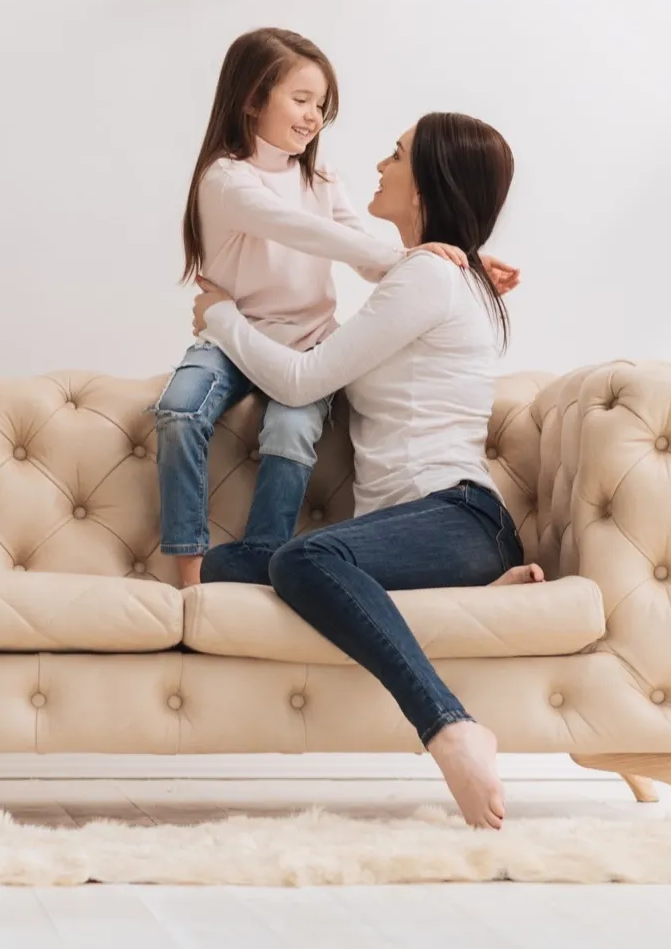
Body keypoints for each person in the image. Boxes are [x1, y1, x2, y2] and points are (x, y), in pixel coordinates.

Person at [194, 111, 541, 830]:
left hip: (459, 515)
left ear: (428, 186)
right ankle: (468, 585)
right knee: (215, 568)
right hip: (415, 533)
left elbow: (299, 381)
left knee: (302, 559)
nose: (380, 165)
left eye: (397, 154)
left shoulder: (428, 278)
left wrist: (221, 315)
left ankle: (449, 727)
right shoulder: (439, 275)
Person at [155, 29, 515, 586]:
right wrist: (423, 258)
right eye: (301, 101)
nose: (313, 117)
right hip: (232, 339)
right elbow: (304, 231)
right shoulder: (226, 180)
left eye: (321, 106)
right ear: (252, 98)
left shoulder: (322, 181)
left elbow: (367, 259)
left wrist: (455, 262)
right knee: (179, 410)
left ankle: (265, 554)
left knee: (292, 432)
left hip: (306, 341)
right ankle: (189, 563)